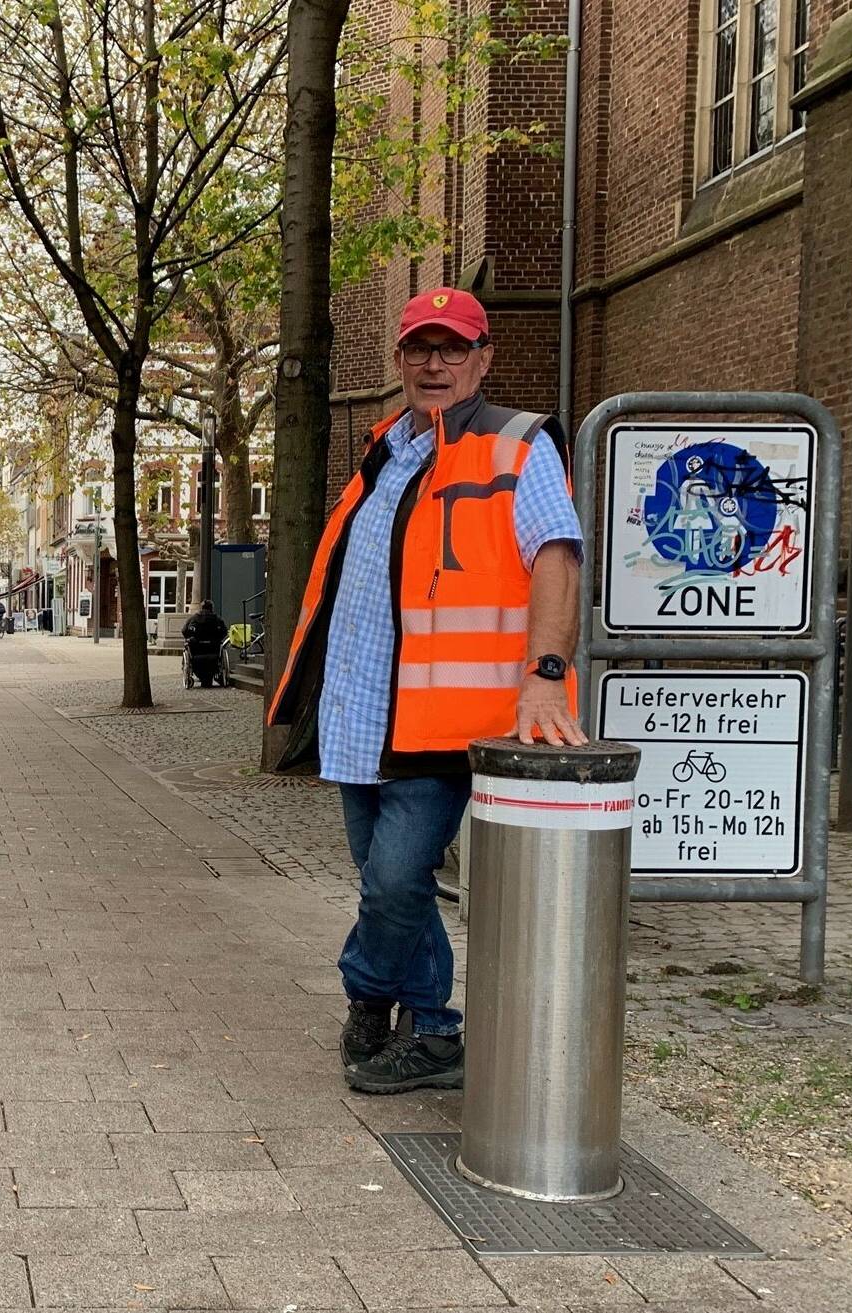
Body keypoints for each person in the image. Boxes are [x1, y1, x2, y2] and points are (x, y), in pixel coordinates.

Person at [265, 286, 586, 1096]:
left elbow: (557, 554)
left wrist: (545, 673)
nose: (434, 363)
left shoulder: (515, 446)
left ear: (482, 360)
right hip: (360, 714)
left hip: (446, 720)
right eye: (419, 348)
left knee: (395, 880)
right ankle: (435, 1027)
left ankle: (370, 994)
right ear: (400, 360)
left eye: (452, 348)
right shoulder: (380, 454)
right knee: (391, 882)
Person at [182, 599, 229, 687]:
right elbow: (224, 632)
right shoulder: (217, 619)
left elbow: (184, 631)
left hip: (196, 650)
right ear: (212, 608)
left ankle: (199, 676)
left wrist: (190, 639)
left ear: (201, 608)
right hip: (213, 650)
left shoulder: (194, 618)